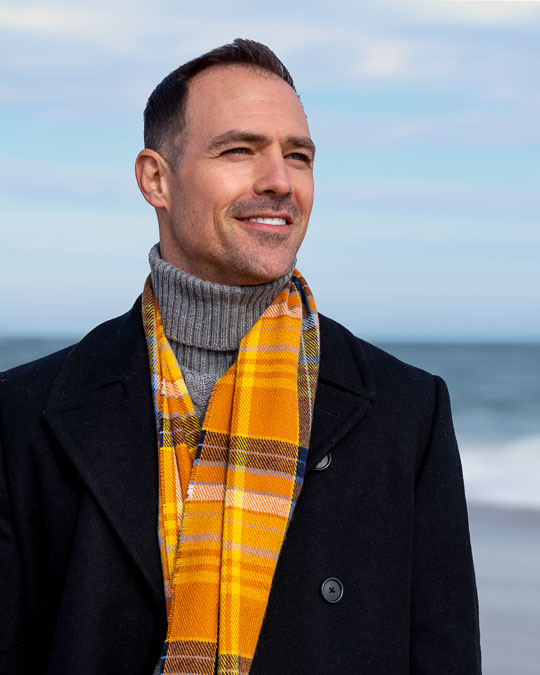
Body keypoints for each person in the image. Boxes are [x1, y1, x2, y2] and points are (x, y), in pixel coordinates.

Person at [0, 39, 481, 674]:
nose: (279, 181)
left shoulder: (408, 411)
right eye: (239, 150)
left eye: (298, 156)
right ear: (156, 179)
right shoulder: (24, 413)